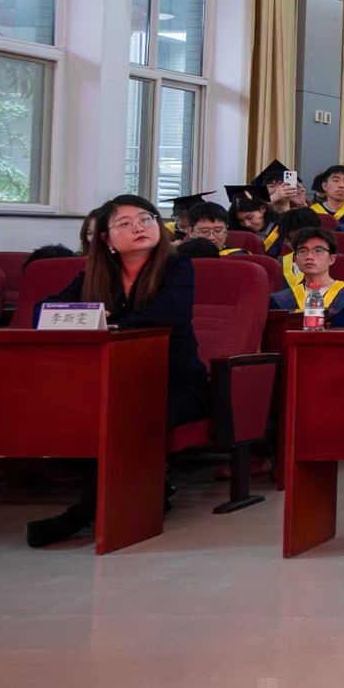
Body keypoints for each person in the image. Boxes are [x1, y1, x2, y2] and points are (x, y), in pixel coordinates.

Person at [28, 195, 209, 548]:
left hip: (176, 386)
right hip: (114, 383)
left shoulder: (177, 266)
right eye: (125, 223)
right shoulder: (97, 274)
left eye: (146, 218)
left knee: (127, 416)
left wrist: (111, 324)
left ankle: (86, 511)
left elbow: (170, 313)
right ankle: (150, 489)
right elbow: (42, 313)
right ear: (106, 239)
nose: (139, 227)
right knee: (76, 413)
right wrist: (84, 316)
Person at [272, 226, 344, 326]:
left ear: (331, 259)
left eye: (318, 251)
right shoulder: (280, 301)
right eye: (303, 251)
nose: (309, 256)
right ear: (296, 260)